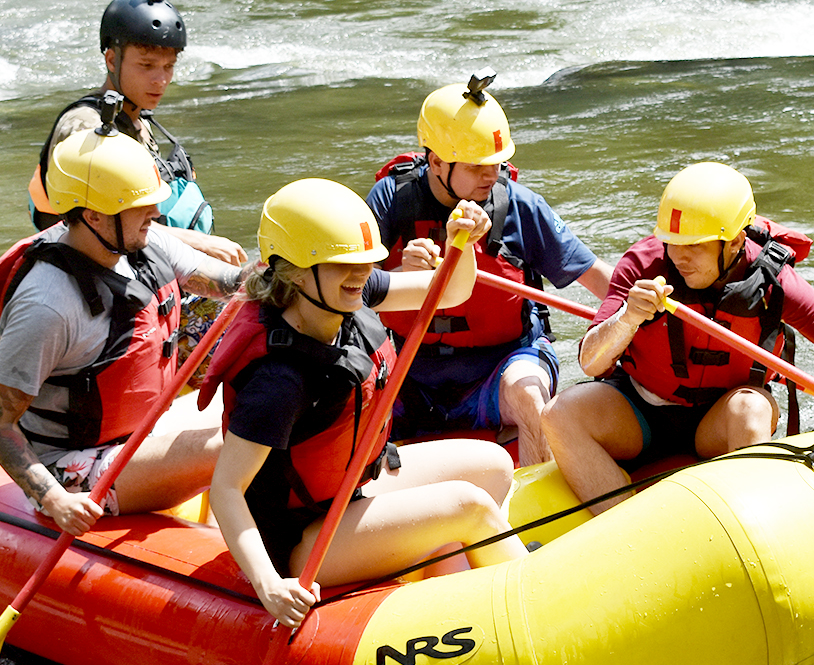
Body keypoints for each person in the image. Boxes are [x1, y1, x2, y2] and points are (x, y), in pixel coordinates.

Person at [202, 178, 528, 627]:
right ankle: (531, 600)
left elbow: (449, 291)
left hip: (353, 488)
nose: (360, 274)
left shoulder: (339, 293)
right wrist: (270, 586)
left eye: (365, 262)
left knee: (493, 463)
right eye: (343, 264)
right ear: (295, 270)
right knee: (467, 506)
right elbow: (226, 490)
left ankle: (449, 566)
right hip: (302, 540)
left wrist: (464, 243)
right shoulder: (278, 379)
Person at [0, 126, 245, 537]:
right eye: (142, 206)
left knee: (269, 407)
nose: (157, 215)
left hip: (141, 430)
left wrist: (294, 272)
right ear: (93, 215)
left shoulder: (140, 242)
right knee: (239, 443)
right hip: (73, 467)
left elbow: (232, 283)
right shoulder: (47, 305)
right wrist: (55, 499)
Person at [366, 72, 613, 466]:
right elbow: (345, 292)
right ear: (436, 162)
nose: (491, 176)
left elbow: (597, 277)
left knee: (530, 395)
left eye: (497, 164)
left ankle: (536, 509)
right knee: (351, 400)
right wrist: (396, 274)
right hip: (412, 372)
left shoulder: (520, 206)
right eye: (477, 166)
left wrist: (638, 308)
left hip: (501, 366)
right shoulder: (391, 201)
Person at [541, 161, 814, 514]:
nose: (679, 256)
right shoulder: (642, 264)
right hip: (640, 413)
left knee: (753, 407)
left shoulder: (773, 279)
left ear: (734, 242)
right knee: (559, 414)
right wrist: (629, 317)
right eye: (671, 242)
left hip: (718, 422)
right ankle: (625, 528)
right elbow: (590, 361)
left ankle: (748, 520)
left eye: (695, 246)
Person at [27, 0, 245, 267]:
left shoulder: (137, 118)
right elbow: (96, 224)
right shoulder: (86, 126)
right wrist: (197, 242)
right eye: (146, 66)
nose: (161, 80)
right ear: (112, 60)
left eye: (169, 67)